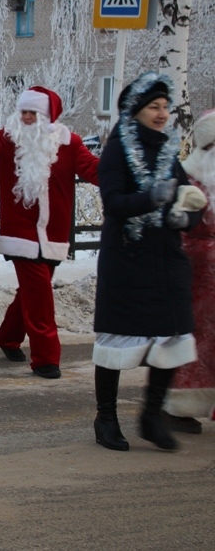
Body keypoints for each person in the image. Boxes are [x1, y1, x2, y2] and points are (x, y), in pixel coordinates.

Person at [0, 71, 99, 379]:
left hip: (54, 235)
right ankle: (47, 358)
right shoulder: (8, 140)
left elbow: (92, 170)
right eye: (24, 111)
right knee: (41, 297)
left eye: (34, 112)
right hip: (20, 234)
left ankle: (7, 337)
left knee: (33, 293)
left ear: (48, 116)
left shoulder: (69, 144)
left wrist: (123, 167)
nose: (28, 117)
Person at [92, 72, 204, 451]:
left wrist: (183, 217)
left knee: (173, 336)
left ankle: (151, 416)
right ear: (136, 111)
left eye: (165, 107)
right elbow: (113, 203)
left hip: (165, 259)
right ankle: (105, 418)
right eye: (154, 107)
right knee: (116, 343)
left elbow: (188, 198)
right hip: (127, 258)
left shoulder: (170, 151)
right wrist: (151, 199)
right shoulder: (117, 148)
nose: (162, 113)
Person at [164, 110, 215, 433]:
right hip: (197, 271)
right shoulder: (191, 175)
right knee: (194, 339)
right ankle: (180, 405)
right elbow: (177, 223)